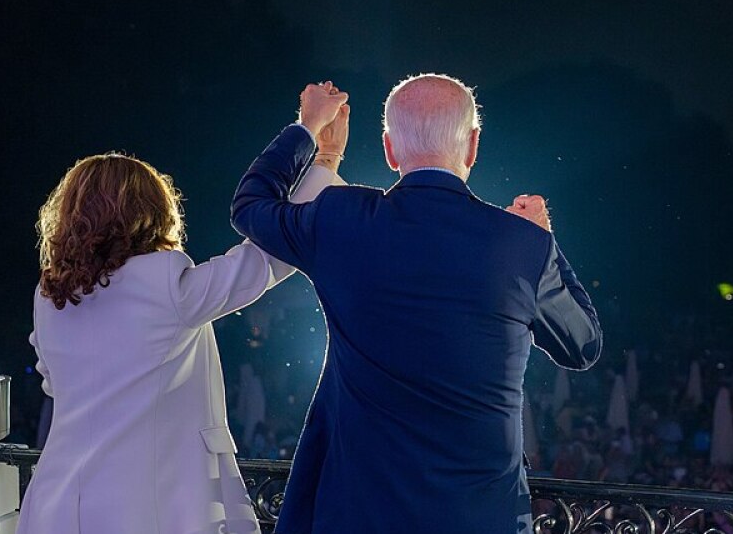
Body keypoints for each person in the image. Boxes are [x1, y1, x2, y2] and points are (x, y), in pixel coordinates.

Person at [231, 74, 603, 533]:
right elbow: (582, 346)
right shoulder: (519, 245)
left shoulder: (344, 218)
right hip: (480, 518)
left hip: (358, 513)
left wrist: (309, 130)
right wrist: (544, 240)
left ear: (389, 150)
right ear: (472, 145)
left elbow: (250, 205)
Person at [17, 95, 351, 534]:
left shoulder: (50, 294)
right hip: (145, 513)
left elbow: (52, 381)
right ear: (152, 211)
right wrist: (321, 157)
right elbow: (266, 258)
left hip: (57, 508)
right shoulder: (162, 282)